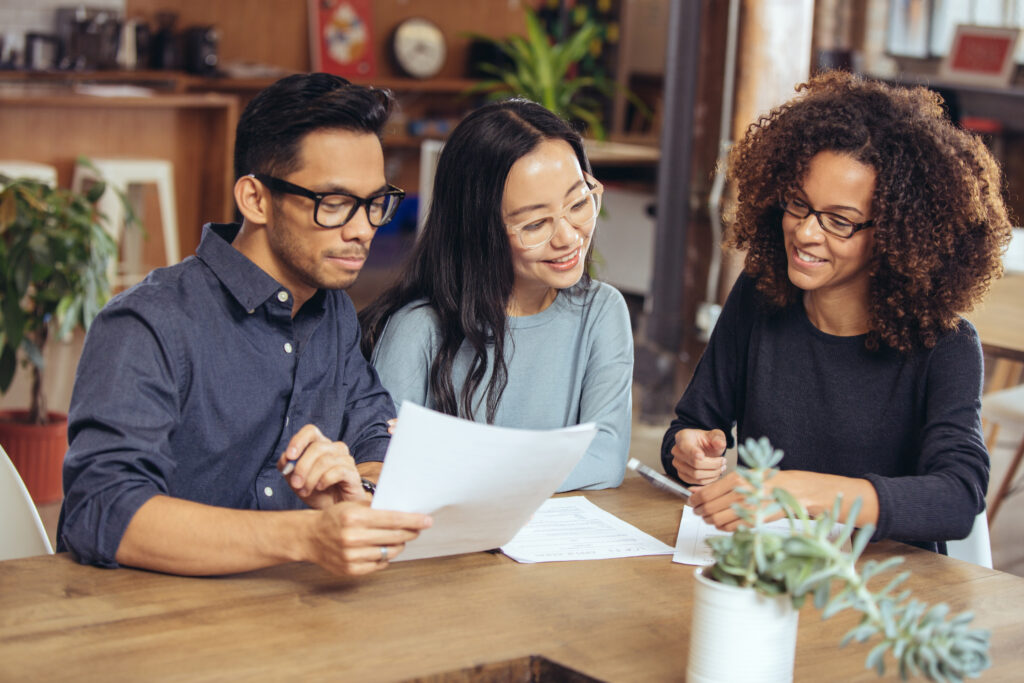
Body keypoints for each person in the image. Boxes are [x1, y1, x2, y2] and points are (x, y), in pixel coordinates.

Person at [58, 73, 432, 576]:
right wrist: (306, 536)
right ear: (256, 199)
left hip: (289, 604)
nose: (363, 229)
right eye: (334, 204)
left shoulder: (332, 310)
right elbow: (102, 509)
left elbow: (374, 432)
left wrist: (359, 489)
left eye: (374, 204)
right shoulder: (148, 323)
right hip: (146, 612)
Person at [662, 71, 1013, 553]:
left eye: (839, 221)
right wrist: (688, 451)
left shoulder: (945, 345)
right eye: (798, 205)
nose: (806, 233)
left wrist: (800, 491)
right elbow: (690, 426)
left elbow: (957, 497)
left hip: (890, 585)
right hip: (773, 568)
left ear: (895, 234)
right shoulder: (760, 296)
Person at [359, 99, 633, 491]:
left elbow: (605, 459)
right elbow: (385, 466)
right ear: (477, 230)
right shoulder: (418, 328)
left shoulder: (601, 311)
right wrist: (533, 463)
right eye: (535, 224)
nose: (568, 237)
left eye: (578, 203)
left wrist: (458, 454)